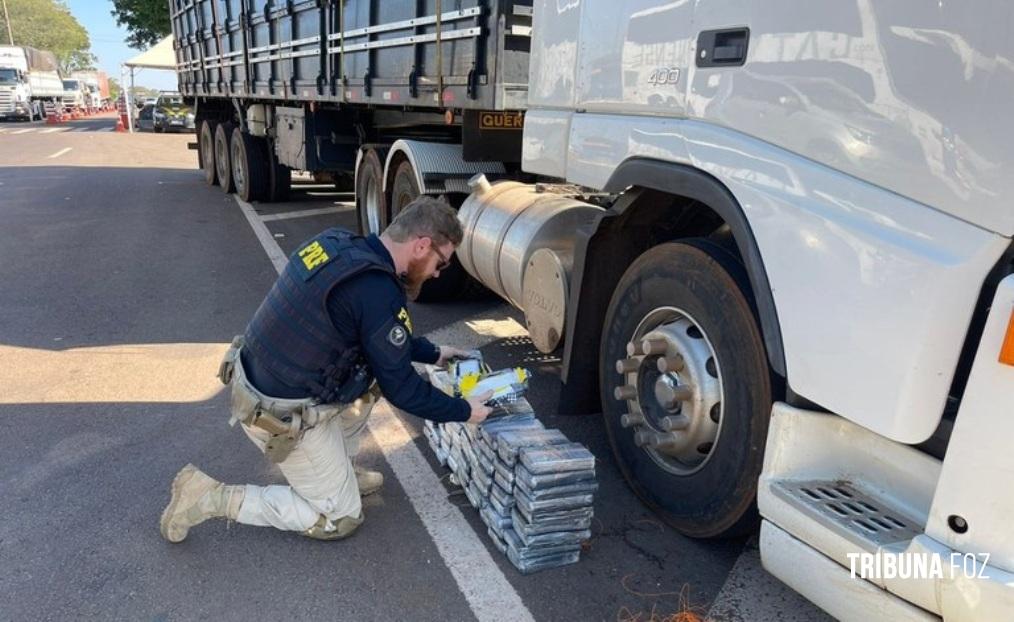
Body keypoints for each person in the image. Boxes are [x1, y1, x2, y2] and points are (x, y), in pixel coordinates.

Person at [160, 196, 492, 543]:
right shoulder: (377, 290)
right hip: (278, 416)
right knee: (340, 519)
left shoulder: (337, 243)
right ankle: (209, 497)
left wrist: (436, 353)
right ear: (422, 245)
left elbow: (379, 336)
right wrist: (465, 411)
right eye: (441, 263)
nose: (438, 273)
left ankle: (338, 473)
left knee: (370, 379)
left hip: (257, 379)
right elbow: (403, 388)